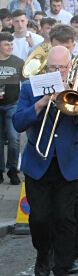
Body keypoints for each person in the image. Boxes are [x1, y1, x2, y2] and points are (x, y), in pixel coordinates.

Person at [13, 45, 78, 276]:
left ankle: (61, 270)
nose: (58, 71)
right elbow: (18, 122)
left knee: (65, 218)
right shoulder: (31, 87)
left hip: (69, 164)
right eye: (53, 67)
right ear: (46, 67)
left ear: (70, 67)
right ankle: (43, 254)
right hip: (37, 163)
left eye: (62, 67)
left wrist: (75, 102)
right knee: (39, 218)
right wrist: (41, 103)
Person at [0, 32, 22, 184]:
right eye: (6, 44)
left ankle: (13, 169)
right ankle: (0, 170)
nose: (10, 47)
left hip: (13, 104)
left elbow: (27, 83)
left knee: (14, 138)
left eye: (11, 44)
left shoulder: (18, 62)